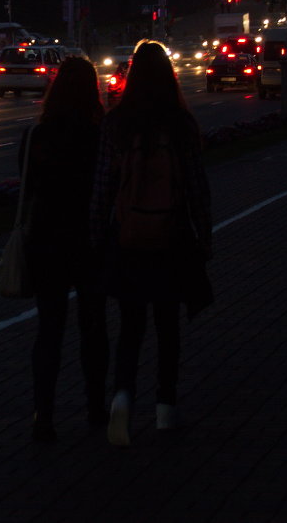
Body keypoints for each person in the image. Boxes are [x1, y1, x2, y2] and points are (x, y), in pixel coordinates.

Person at [89, 40, 213, 445]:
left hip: (129, 239)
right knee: (167, 325)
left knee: (130, 326)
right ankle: (165, 407)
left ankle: (122, 397)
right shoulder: (182, 124)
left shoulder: (116, 123)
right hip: (172, 236)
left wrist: (97, 238)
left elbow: (103, 189)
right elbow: (197, 187)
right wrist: (204, 235)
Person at [19, 55, 109, 443]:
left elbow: (28, 189)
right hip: (88, 239)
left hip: (47, 239)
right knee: (93, 325)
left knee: (49, 329)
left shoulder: (37, 136)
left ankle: (44, 415)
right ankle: (94, 406)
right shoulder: (100, 134)